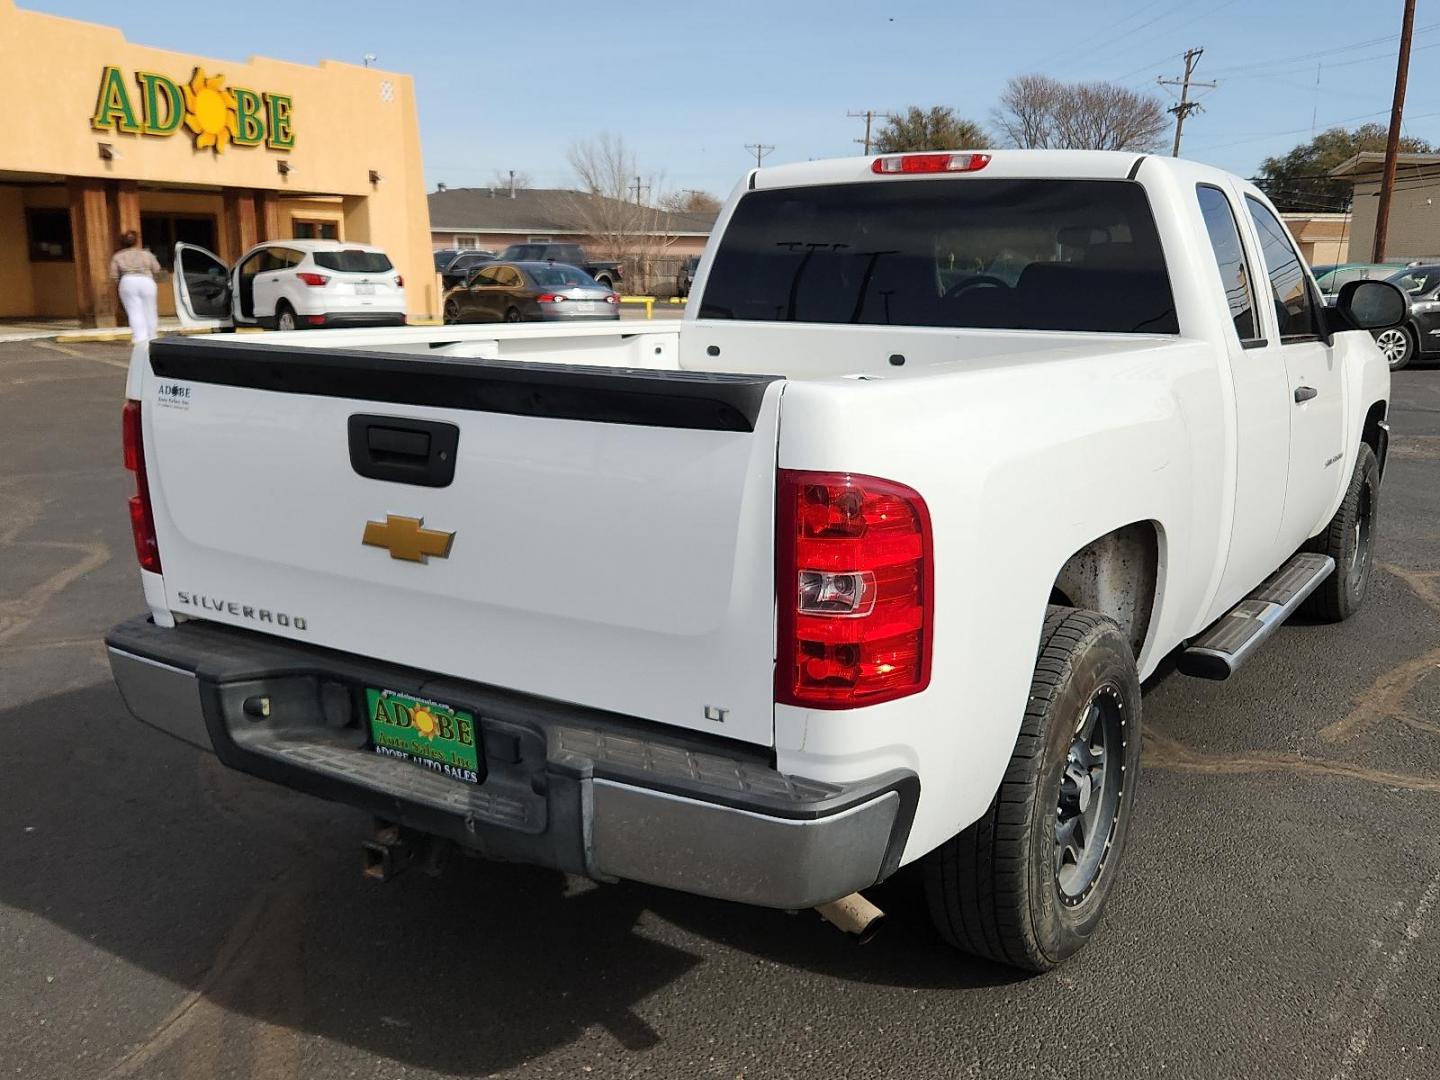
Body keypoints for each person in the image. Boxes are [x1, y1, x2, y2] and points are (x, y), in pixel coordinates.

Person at [110, 231, 164, 345]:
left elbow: (114, 275)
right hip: (146, 280)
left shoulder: (118, 256)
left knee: (134, 310)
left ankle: (139, 338)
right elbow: (157, 268)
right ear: (136, 241)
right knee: (150, 310)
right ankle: (152, 337)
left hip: (128, 280)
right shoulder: (146, 254)